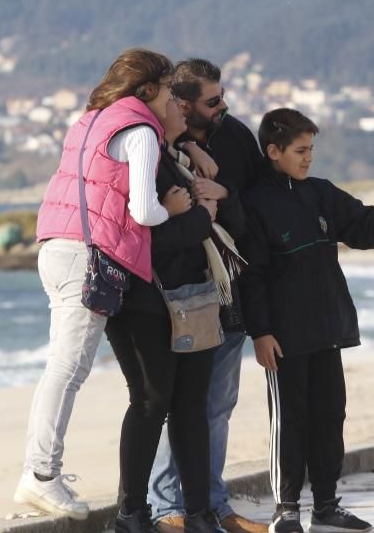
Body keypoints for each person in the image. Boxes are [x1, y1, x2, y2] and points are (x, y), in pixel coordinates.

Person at [16, 48, 193, 520]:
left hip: (56, 247)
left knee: (64, 366)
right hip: (87, 256)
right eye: (171, 88)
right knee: (67, 368)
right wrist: (173, 209)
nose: (177, 97)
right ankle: (39, 476)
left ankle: (39, 474)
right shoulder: (140, 131)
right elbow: (143, 211)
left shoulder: (92, 121)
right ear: (148, 89)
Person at [239, 108, 374, 533]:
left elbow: (361, 226)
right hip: (283, 337)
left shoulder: (320, 192)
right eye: (300, 150)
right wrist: (260, 332)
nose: (308, 158)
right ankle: (285, 509)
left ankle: (326, 507)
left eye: (311, 149)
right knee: (290, 422)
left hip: (327, 329)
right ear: (273, 151)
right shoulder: (255, 204)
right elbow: (252, 275)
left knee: (330, 417)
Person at [105, 94, 246, 533]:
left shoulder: (175, 155)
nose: (179, 109)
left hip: (195, 297)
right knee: (151, 403)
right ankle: (134, 512)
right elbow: (153, 239)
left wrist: (197, 200)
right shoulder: (144, 158)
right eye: (171, 101)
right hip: (147, 301)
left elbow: (204, 206)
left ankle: (200, 513)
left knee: (189, 408)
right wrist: (201, 214)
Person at [147, 59, 268, 533]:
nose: (224, 107)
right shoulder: (155, 143)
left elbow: (257, 207)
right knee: (176, 403)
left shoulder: (234, 136)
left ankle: (213, 504)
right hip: (179, 292)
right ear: (181, 102)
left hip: (230, 287)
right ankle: (165, 506)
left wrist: (225, 194)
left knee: (218, 404)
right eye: (213, 100)